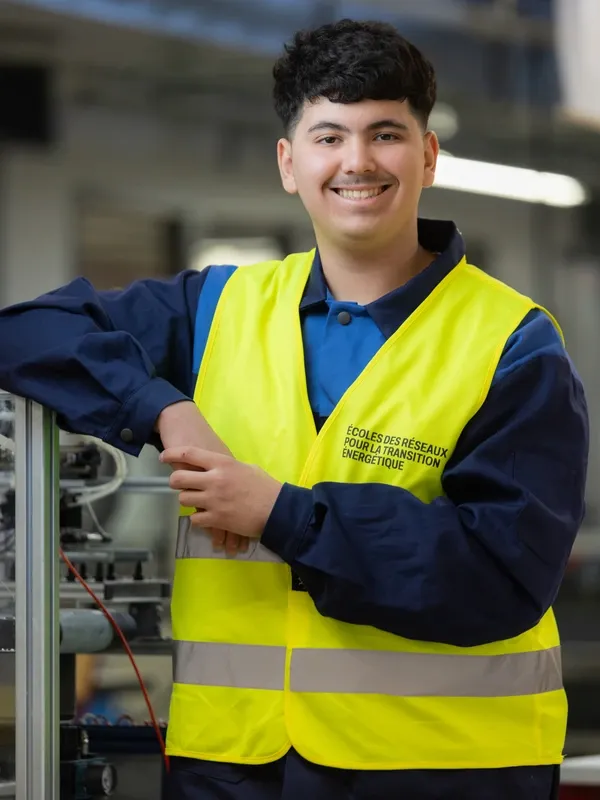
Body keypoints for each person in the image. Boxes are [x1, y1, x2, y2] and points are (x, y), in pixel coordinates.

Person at [0, 18, 589, 800]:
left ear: (428, 156)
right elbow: (26, 332)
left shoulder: (512, 343)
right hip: (231, 766)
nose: (357, 161)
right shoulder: (214, 308)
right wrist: (163, 408)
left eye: (385, 134)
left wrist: (282, 515)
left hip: (439, 769)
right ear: (289, 162)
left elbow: (501, 575)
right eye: (328, 136)